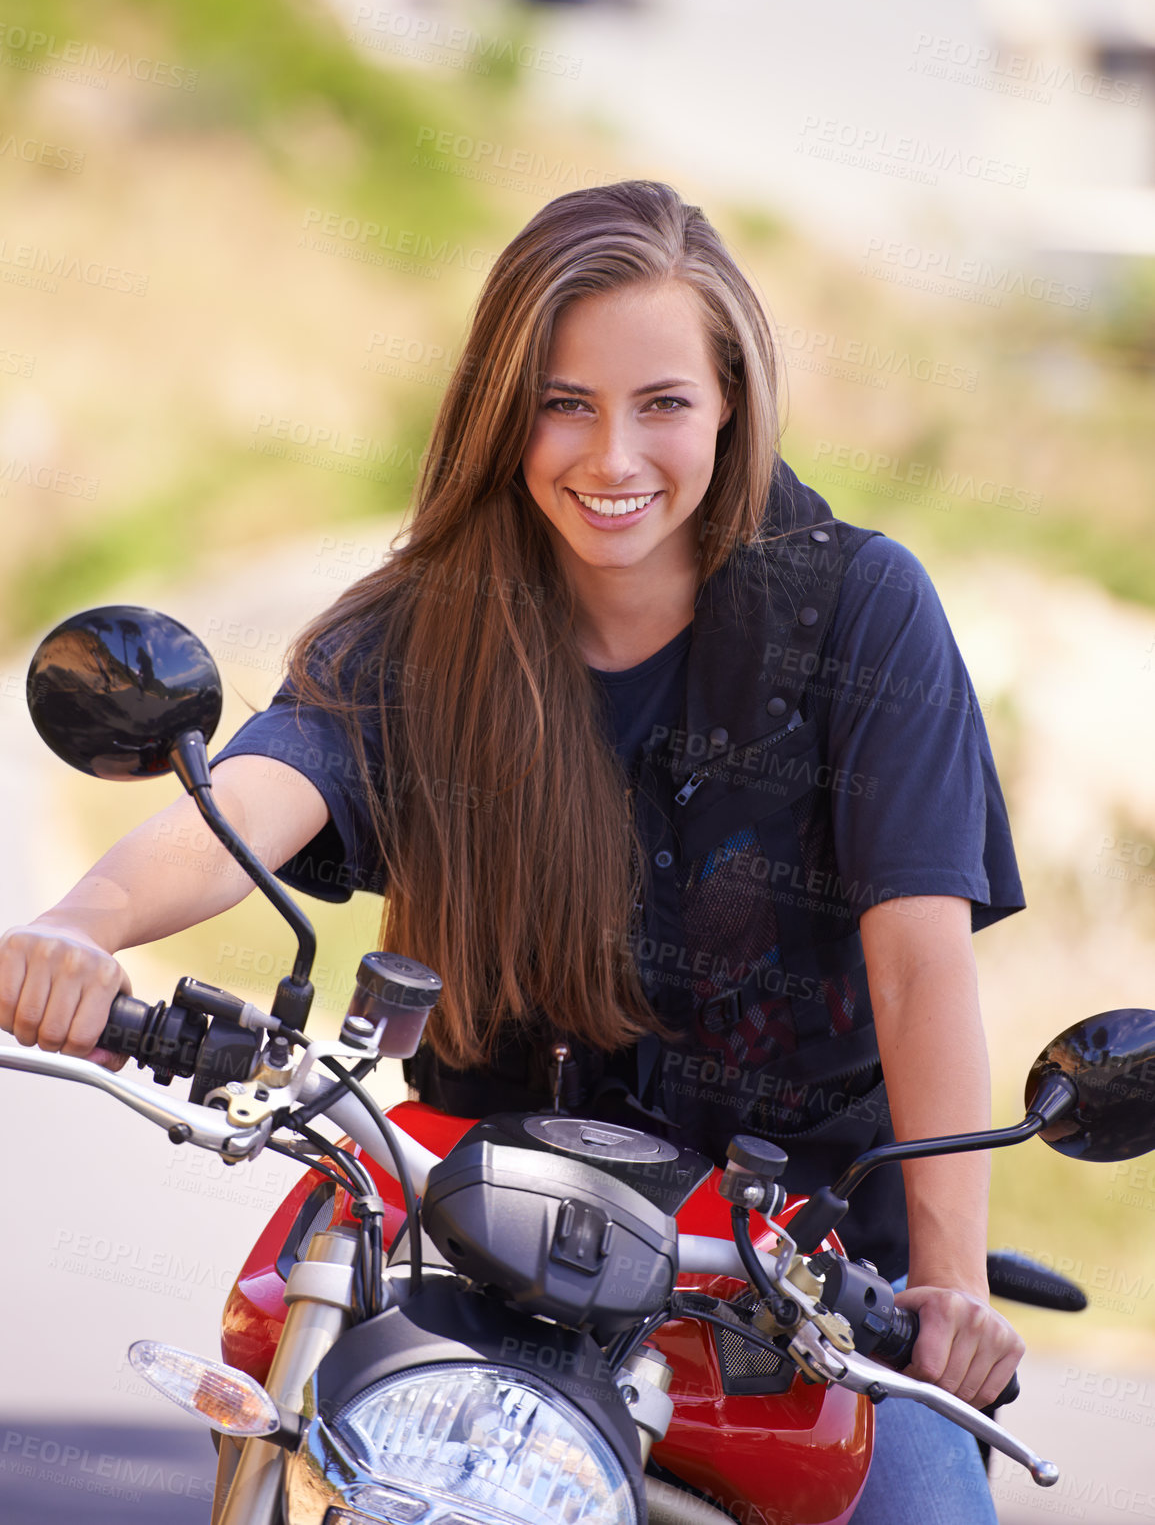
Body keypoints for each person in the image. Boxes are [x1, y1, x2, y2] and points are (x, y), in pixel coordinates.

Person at [0, 180, 1024, 1520]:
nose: (613, 457)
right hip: (470, 1236)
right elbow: (255, 794)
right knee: (288, 1415)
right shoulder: (435, 626)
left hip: (795, 1290)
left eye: (662, 403)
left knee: (923, 1503)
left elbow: (919, 970)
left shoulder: (855, 612)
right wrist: (80, 927)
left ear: (729, 402)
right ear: (505, 410)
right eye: (564, 403)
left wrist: (951, 1289)